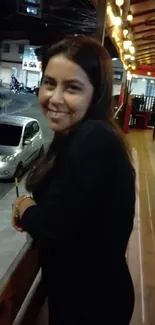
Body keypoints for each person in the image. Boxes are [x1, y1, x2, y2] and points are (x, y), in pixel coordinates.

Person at [12, 36, 135, 325]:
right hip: (87, 294)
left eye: (72, 88)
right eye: (49, 83)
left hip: (92, 306)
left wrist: (25, 205)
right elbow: (71, 214)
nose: (54, 98)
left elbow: (51, 228)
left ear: (97, 93)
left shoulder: (92, 140)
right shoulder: (84, 136)